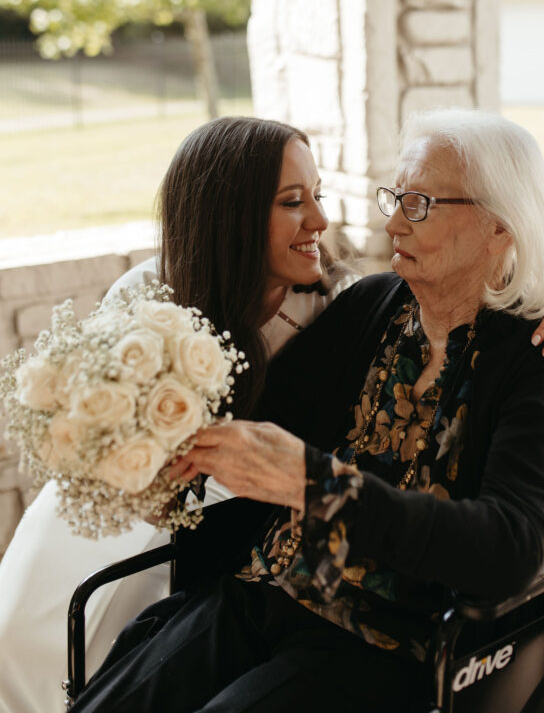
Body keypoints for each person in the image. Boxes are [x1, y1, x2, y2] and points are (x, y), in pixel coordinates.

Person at [70, 107, 544, 713]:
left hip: (385, 642)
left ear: (501, 226)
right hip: (266, 589)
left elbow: (510, 546)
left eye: (421, 204)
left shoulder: (538, 357)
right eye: (396, 197)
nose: (394, 223)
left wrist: (317, 485)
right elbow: (257, 413)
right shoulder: (372, 305)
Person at [0, 117, 354, 713]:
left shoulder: (336, 307)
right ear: (231, 214)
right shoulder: (150, 289)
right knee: (24, 644)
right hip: (105, 509)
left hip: (223, 538)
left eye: (318, 195)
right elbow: (98, 417)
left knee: (132, 660)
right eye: (293, 202)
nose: (319, 220)